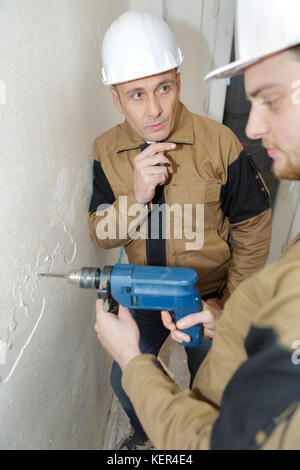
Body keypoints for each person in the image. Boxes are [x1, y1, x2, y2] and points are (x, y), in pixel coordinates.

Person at [90, 10, 272, 449]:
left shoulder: (220, 144)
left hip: (206, 299)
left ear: (179, 80)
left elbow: (253, 227)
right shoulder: (106, 151)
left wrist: (227, 303)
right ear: (116, 99)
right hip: (142, 296)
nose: (154, 109)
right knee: (126, 378)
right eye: (136, 94)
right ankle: (147, 431)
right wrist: (135, 196)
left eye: (164, 88)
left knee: (213, 387)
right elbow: (102, 233)